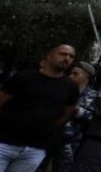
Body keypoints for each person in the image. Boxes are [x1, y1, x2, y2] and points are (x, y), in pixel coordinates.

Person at [0, 44, 79, 172]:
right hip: (4, 143)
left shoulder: (71, 87)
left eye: (71, 56)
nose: (67, 58)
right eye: (63, 54)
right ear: (49, 56)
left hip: (35, 150)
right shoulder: (24, 77)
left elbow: (65, 115)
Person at [54, 61, 98, 172]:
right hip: (50, 135)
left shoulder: (94, 96)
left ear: (86, 77)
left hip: (71, 142)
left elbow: (95, 119)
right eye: (71, 73)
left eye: (75, 74)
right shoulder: (60, 89)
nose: (70, 76)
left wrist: (77, 111)